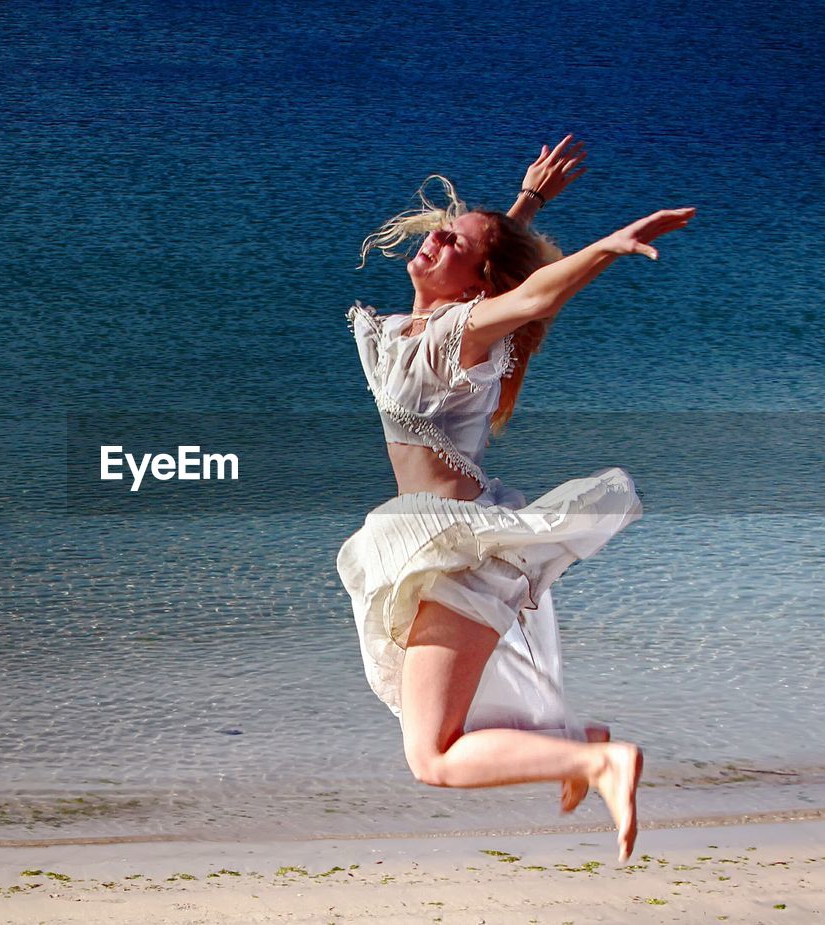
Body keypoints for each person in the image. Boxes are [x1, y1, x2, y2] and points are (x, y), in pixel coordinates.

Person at [337, 135, 695, 863]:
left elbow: (530, 293)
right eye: (444, 226)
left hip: (456, 550)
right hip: (440, 547)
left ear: (475, 288)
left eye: (453, 239)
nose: (436, 233)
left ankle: (598, 761)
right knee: (436, 738)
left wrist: (607, 246)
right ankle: (579, 746)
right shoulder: (413, 328)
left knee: (433, 755)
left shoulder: (462, 332)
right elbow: (496, 259)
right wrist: (526, 203)